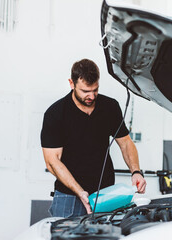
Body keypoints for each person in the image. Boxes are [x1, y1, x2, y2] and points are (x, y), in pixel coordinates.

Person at [41, 58, 146, 218]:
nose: (91, 96)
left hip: (105, 195)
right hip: (68, 197)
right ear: (71, 83)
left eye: (95, 90)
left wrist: (136, 172)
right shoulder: (55, 114)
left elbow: (125, 143)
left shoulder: (110, 107)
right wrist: (80, 192)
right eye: (85, 91)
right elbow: (52, 161)